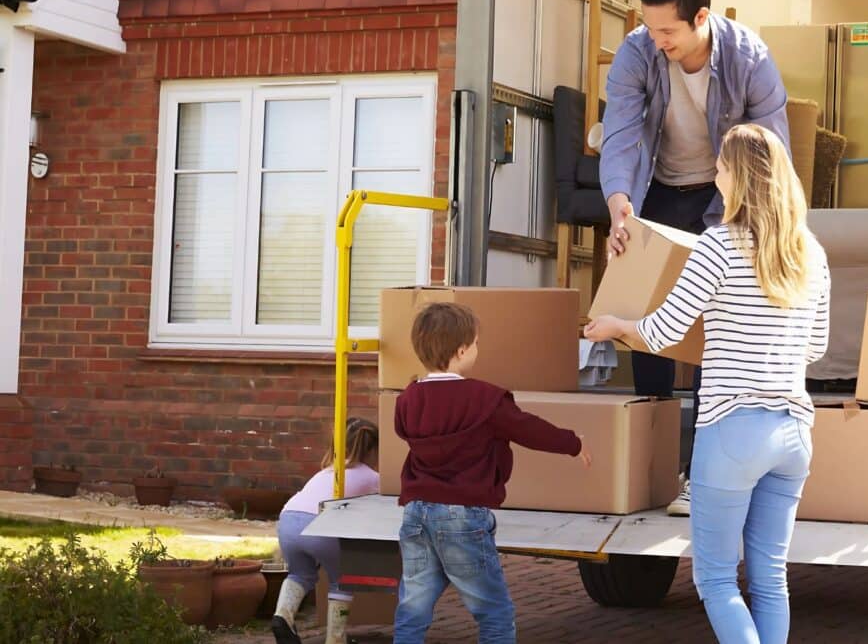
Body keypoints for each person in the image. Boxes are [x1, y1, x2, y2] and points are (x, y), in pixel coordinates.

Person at [586, 124, 830, 644]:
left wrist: (614, 326)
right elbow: (817, 347)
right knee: (769, 579)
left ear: (738, 178)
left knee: (716, 579)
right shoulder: (811, 252)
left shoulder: (718, 245)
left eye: (720, 166)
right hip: (794, 433)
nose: (714, 174)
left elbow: (663, 330)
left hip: (732, 430)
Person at [600, 0, 790, 515]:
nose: (655, 40)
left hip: (725, 196)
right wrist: (619, 206)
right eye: (649, 27)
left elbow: (769, 151)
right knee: (647, 317)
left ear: (701, 18)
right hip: (654, 191)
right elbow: (621, 134)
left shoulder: (749, 59)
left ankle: (702, 475)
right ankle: (653, 467)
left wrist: (744, 224)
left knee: (716, 327)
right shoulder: (638, 52)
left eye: (667, 32)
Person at [391, 302, 593, 644]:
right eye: (476, 343)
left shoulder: (408, 398)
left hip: (416, 512)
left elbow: (402, 430)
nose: (477, 350)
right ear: (461, 350)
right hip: (463, 517)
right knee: (493, 613)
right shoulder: (485, 398)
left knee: (413, 607)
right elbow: (528, 429)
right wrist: (573, 443)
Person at [272, 417, 381, 644]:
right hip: (320, 525)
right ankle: (335, 639)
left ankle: (283, 615)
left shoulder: (327, 471)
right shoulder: (371, 477)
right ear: (372, 450)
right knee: (342, 580)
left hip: (288, 521)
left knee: (300, 574)